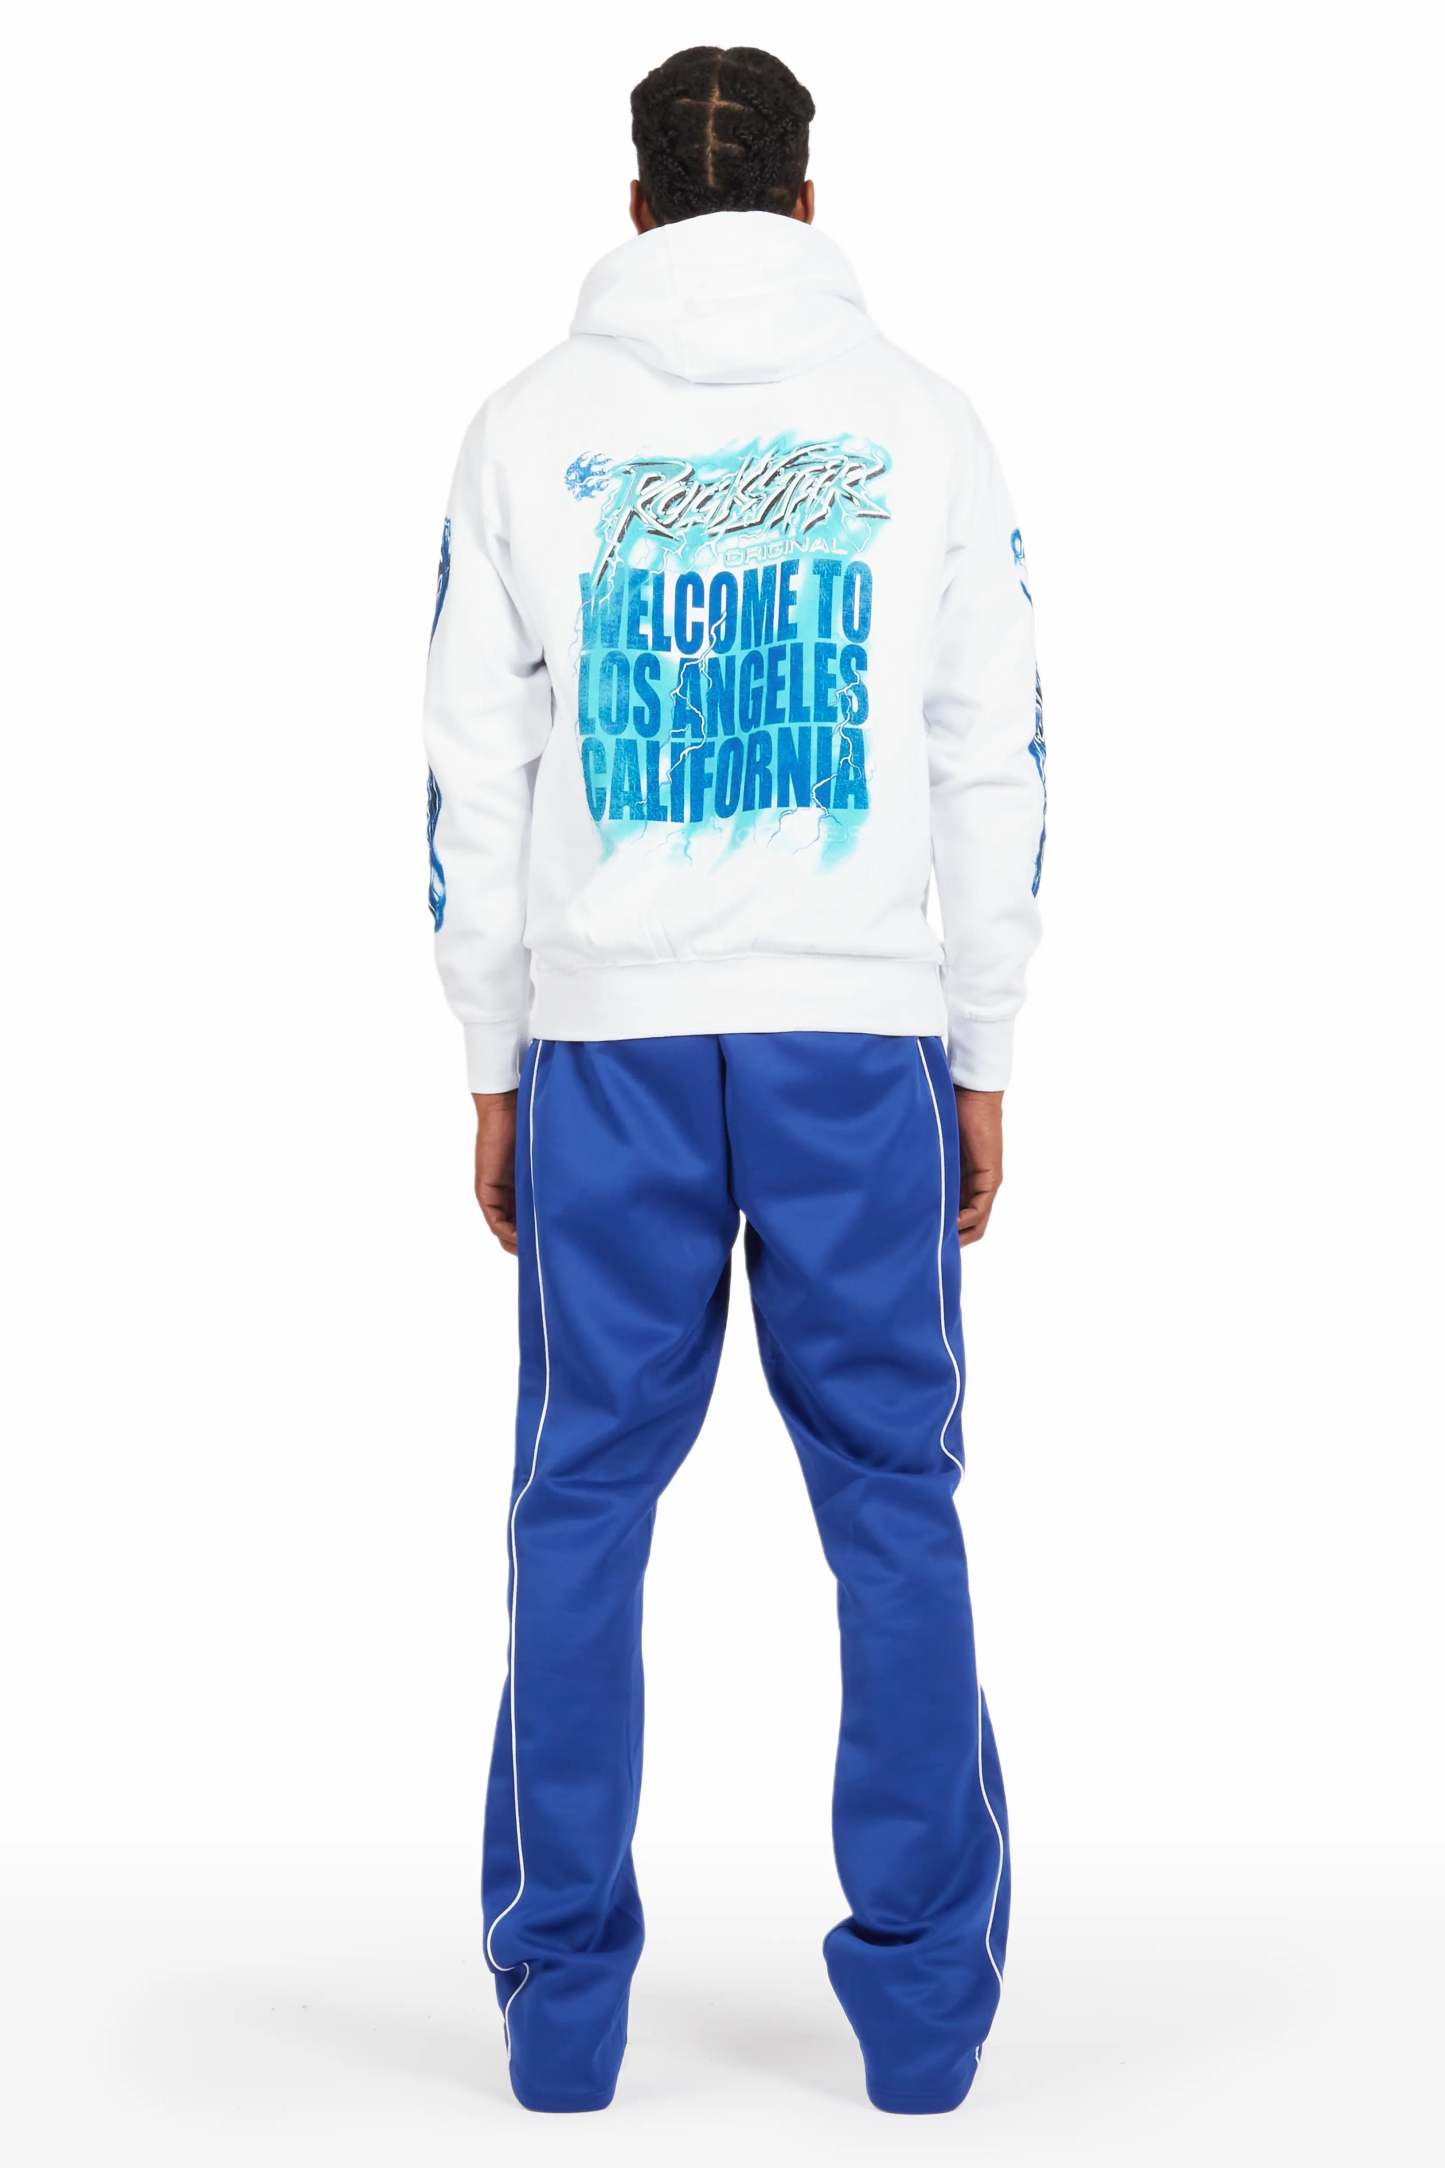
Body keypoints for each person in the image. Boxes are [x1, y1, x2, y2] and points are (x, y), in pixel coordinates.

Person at [422, 43, 1045, 2118]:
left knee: (581, 1499)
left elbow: (472, 770)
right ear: (803, 202)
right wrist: (981, 1043)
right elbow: (987, 752)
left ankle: (561, 2018)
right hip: (853, 1033)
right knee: (892, 1498)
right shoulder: (920, 422)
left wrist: (493, 1057)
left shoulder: (526, 429)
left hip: (607, 1037)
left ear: (632, 206)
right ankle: (926, 2031)